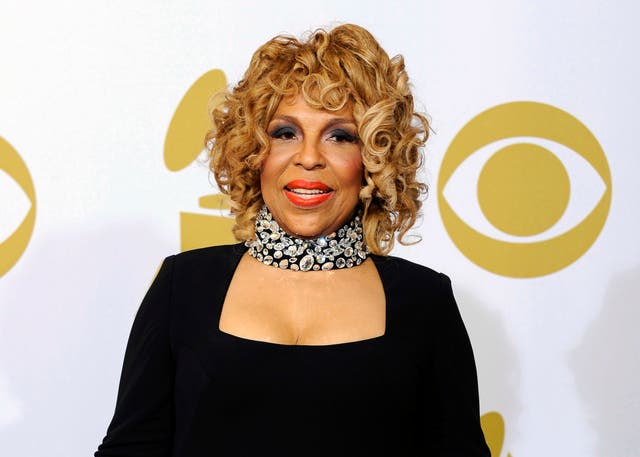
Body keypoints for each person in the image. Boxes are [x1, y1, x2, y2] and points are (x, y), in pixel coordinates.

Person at [95, 24, 490, 456]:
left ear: (374, 158)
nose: (308, 157)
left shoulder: (425, 300)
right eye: (286, 132)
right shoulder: (183, 285)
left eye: (340, 135)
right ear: (253, 149)